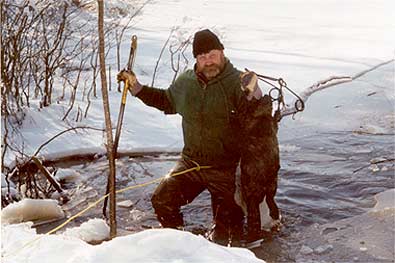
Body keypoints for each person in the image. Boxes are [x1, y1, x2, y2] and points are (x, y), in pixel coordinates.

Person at [117, 29, 262, 246]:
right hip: (191, 163)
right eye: (202, 57)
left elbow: (259, 118)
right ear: (196, 59)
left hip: (227, 168)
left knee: (228, 233)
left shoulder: (237, 82)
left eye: (212, 55)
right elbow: (166, 100)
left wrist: (256, 93)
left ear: (222, 52)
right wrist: (136, 87)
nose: (208, 62)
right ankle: (182, 247)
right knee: (162, 200)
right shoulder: (186, 82)